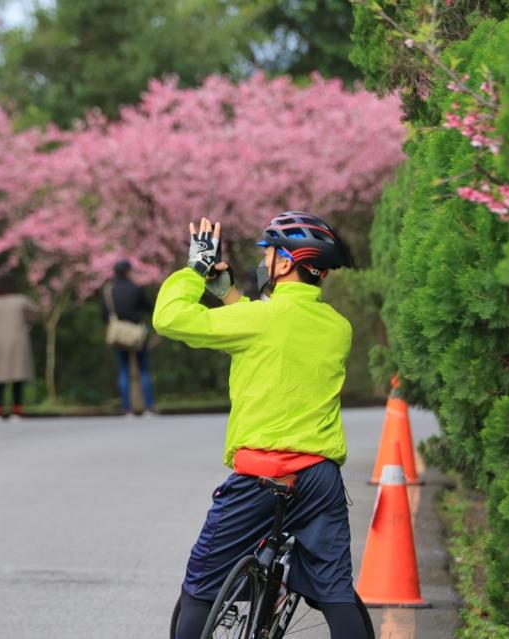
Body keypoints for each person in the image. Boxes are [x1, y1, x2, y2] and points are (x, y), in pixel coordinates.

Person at [153, 213, 369, 639]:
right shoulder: (338, 328)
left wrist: (196, 269)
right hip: (320, 480)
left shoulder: (259, 321)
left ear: (286, 263)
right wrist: (230, 294)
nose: (265, 260)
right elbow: (278, 329)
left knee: (202, 583)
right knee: (335, 591)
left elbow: (169, 317)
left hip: (261, 475)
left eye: (269, 252)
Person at [101, 259, 155, 416]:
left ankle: (127, 409)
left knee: (123, 370)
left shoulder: (109, 290)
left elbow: (104, 315)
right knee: (144, 370)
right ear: (127, 271)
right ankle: (148, 407)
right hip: (137, 332)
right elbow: (149, 307)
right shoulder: (136, 288)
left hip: (119, 333)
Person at [0, 273, 39, 420]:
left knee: (0, 377)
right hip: (17, 340)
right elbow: (35, 313)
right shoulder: (20, 300)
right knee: (17, 377)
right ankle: (17, 411)